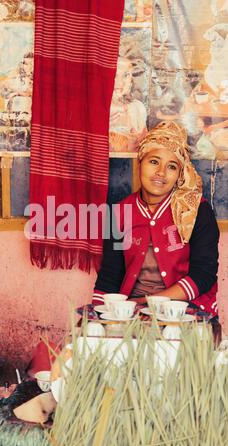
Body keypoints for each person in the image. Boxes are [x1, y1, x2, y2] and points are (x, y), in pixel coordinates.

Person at [93, 121, 220, 317]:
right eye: (154, 161)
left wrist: (148, 302)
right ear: (140, 162)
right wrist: (96, 317)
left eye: (171, 166)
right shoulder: (119, 212)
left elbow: (204, 274)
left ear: (180, 174)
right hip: (132, 312)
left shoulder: (197, 211)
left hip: (186, 310)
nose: (161, 172)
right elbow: (110, 275)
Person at [109, 56, 147, 153]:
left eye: (126, 75)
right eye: (114, 75)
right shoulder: (95, 109)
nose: (120, 82)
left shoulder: (138, 108)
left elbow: (143, 146)